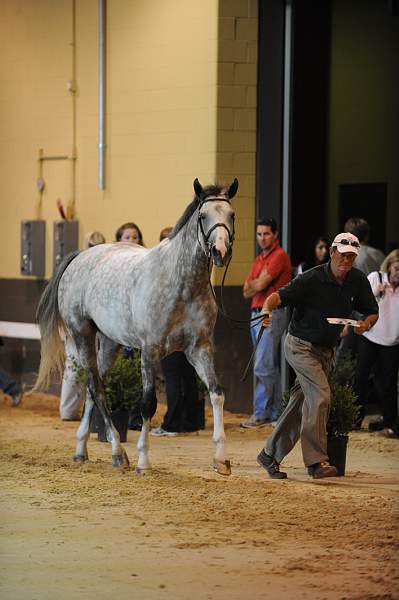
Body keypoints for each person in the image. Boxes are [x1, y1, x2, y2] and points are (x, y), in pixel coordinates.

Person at [256, 232, 379, 479]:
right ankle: (316, 462)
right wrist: (267, 311)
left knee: (302, 403)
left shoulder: (357, 280)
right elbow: (276, 297)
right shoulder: (311, 278)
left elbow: (371, 312)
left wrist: (366, 324)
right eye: (343, 255)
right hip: (300, 346)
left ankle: (269, 454)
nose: (346, 260)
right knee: (321, 396)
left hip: (326, 351)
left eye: (351, 256)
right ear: (332, 252)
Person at [151, 227, 205, 437]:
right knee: (188, 376)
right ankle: (190, 423)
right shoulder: (188, 271)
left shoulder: (162, 273)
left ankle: (171, 424)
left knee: (174, 376)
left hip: (171, 329)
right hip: (189, 328)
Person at [240, 218, 292, 428]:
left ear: (275, 234)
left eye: (266, 234)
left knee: (263, 365)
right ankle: (276, 412)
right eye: (259, 234)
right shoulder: (260, 258)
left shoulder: (279, 256)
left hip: (271, 313)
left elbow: (260, 284)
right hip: (256, 313)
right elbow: (245, 291)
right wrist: (257, 283)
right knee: (267, 365)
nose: (262, 238)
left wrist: (258, 283)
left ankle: (262, 413)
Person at [60, 231, 107, 420]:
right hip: (82, 320)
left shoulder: (80, 263)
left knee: (78, 363)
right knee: (80, 363)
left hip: (84, 320)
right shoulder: (87, 264)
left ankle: (71, 410)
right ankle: (71, 411)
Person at [354, 249, 399, 438]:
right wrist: (375, 293)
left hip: (392, 341)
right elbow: (359, 302)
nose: (398, 273)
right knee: (360, 378)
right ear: (389, 266)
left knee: (388, 384)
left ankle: (389, 423)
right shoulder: (376, 278)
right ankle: (354, 420)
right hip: (370, 337)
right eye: (397, 268)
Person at [114, 221, 145, 430]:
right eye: (127, 237)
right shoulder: (113, 267)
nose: (133, 241)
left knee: (139, 374)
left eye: (135, 237)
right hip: (117, 326)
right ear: (119, 241)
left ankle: (136, 416)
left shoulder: (145, 264)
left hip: (138, 328)